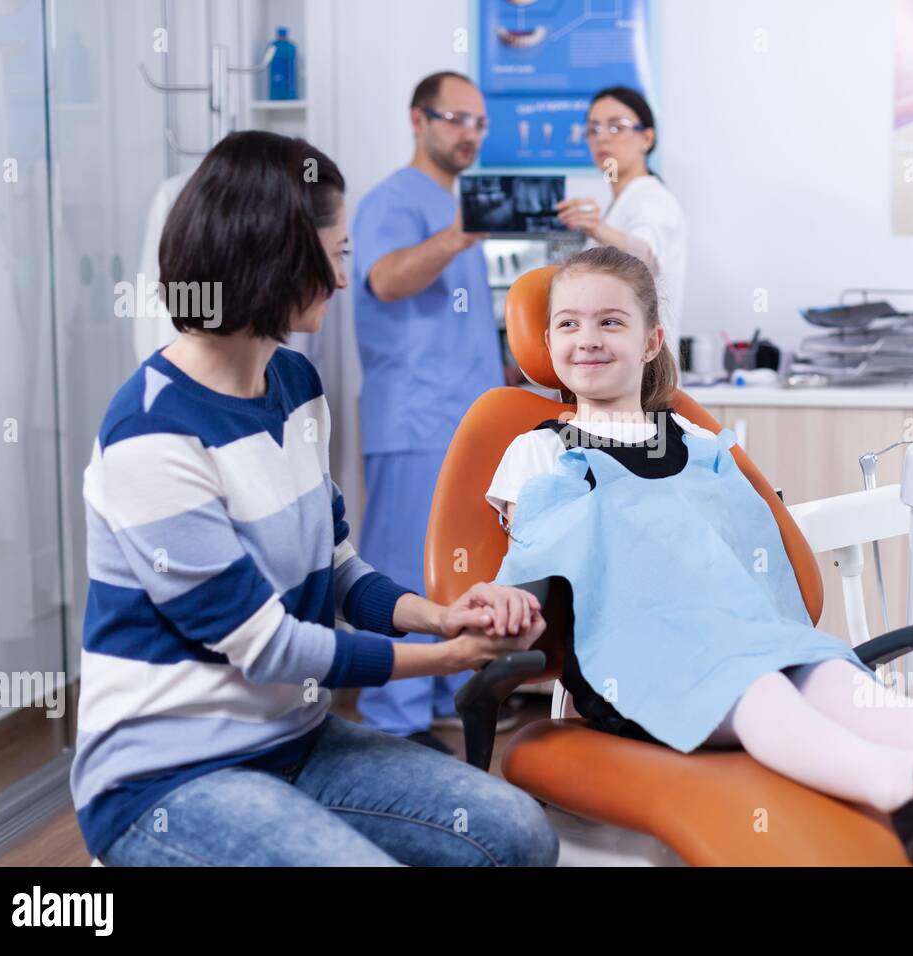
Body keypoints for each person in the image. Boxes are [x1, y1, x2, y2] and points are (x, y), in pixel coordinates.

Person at [484, 246, 913, 864]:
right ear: (548, 340)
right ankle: (909, 794)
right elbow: (533, 560)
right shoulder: (538, 452)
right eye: (568, 323)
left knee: (830, 673)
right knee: (764, 690)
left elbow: (739, 553)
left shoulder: (699, 444)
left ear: (650, 342)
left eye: (611, 321)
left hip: (735, 636)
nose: (588, 338)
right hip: (632, 665)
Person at [71, 130, 558, 867]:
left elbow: (336, 569)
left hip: (294, 741)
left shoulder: (294, 386)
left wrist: (440, 616)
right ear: (272, 260)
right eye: (333, 255)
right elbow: (270, 648)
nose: (339, 280)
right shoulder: (152, 433)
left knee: (517, 836)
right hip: (165, 779)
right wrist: (447, 657)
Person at [351, 71, 521, 749]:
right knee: (399, 564)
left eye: (479, 123)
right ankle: (394, 719)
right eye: (455, 119)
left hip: (465, 420)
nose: (469, 134)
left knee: (463, 563)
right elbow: (387, 280)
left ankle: (456, 690)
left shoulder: (456, 209)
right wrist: (458, 235)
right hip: (414, 416)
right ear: (417, 119)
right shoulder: (391, 202)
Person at [557, 86, 687, 357]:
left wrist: (596, 228)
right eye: (593, 129)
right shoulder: (619, 204)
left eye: (616, 127)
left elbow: (645, 255)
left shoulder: (650, 198)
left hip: (643, 369)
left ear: (647, 138)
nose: (602, 138)